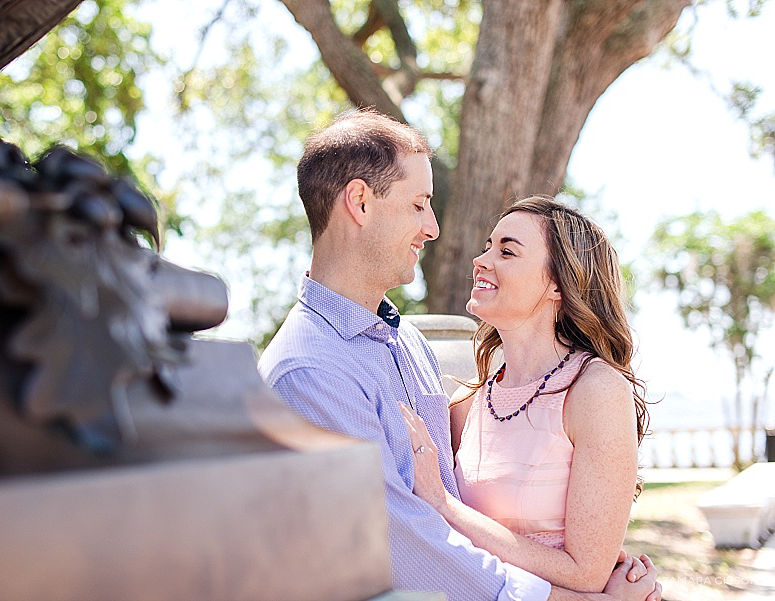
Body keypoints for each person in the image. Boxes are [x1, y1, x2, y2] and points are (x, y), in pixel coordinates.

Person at [258, 109, 661, 601]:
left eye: (507, 250)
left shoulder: (409, 345)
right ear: (360, 203)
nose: (433, 228)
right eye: (419, 204)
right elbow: (407, 550)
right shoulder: (310, 372)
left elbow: (453, 507)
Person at [400, 196, 647, 593]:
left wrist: (446, 508)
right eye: (487, 247)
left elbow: (586, 572)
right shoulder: (466, 404)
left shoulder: (594, 390)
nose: (481, 261)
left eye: (507, 251)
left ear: (558, 284)